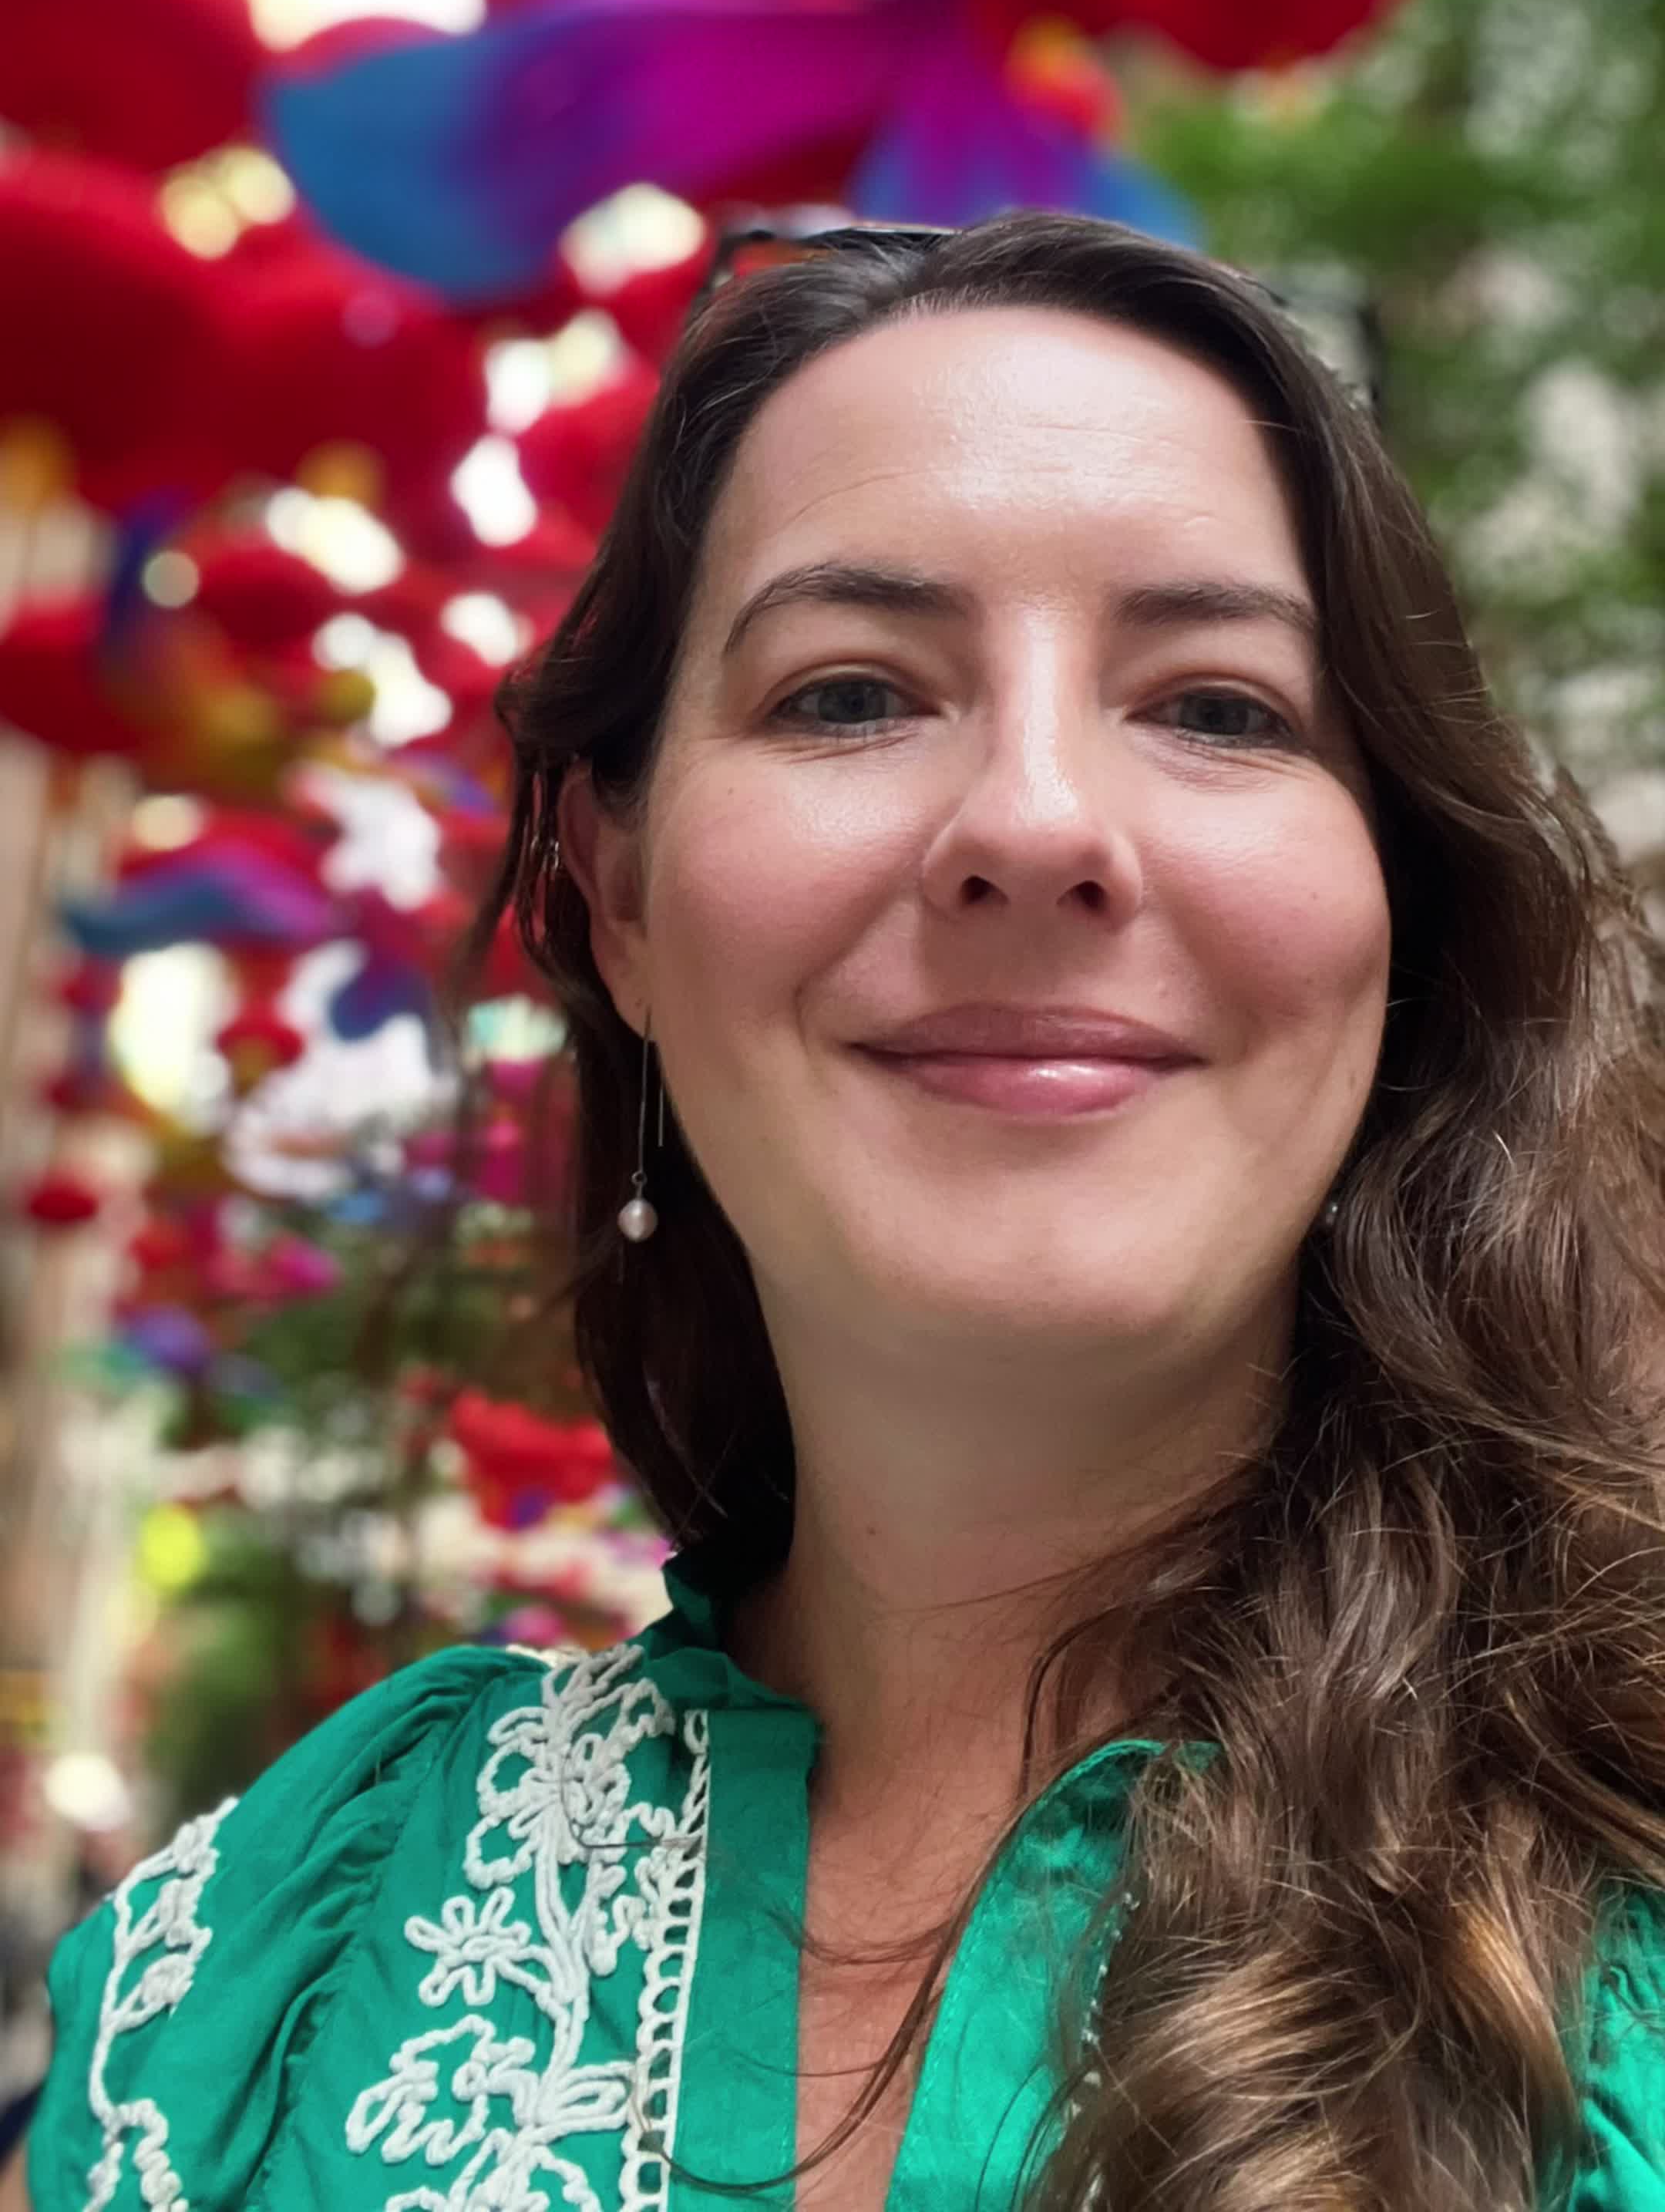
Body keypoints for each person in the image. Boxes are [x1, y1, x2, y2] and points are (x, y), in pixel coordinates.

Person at [13, 210, 1665, 2212]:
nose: (1041, 824)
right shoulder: (267, 1972)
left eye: (1222, 707)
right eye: (851, 694)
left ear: (1398, 921)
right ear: (612, 904)